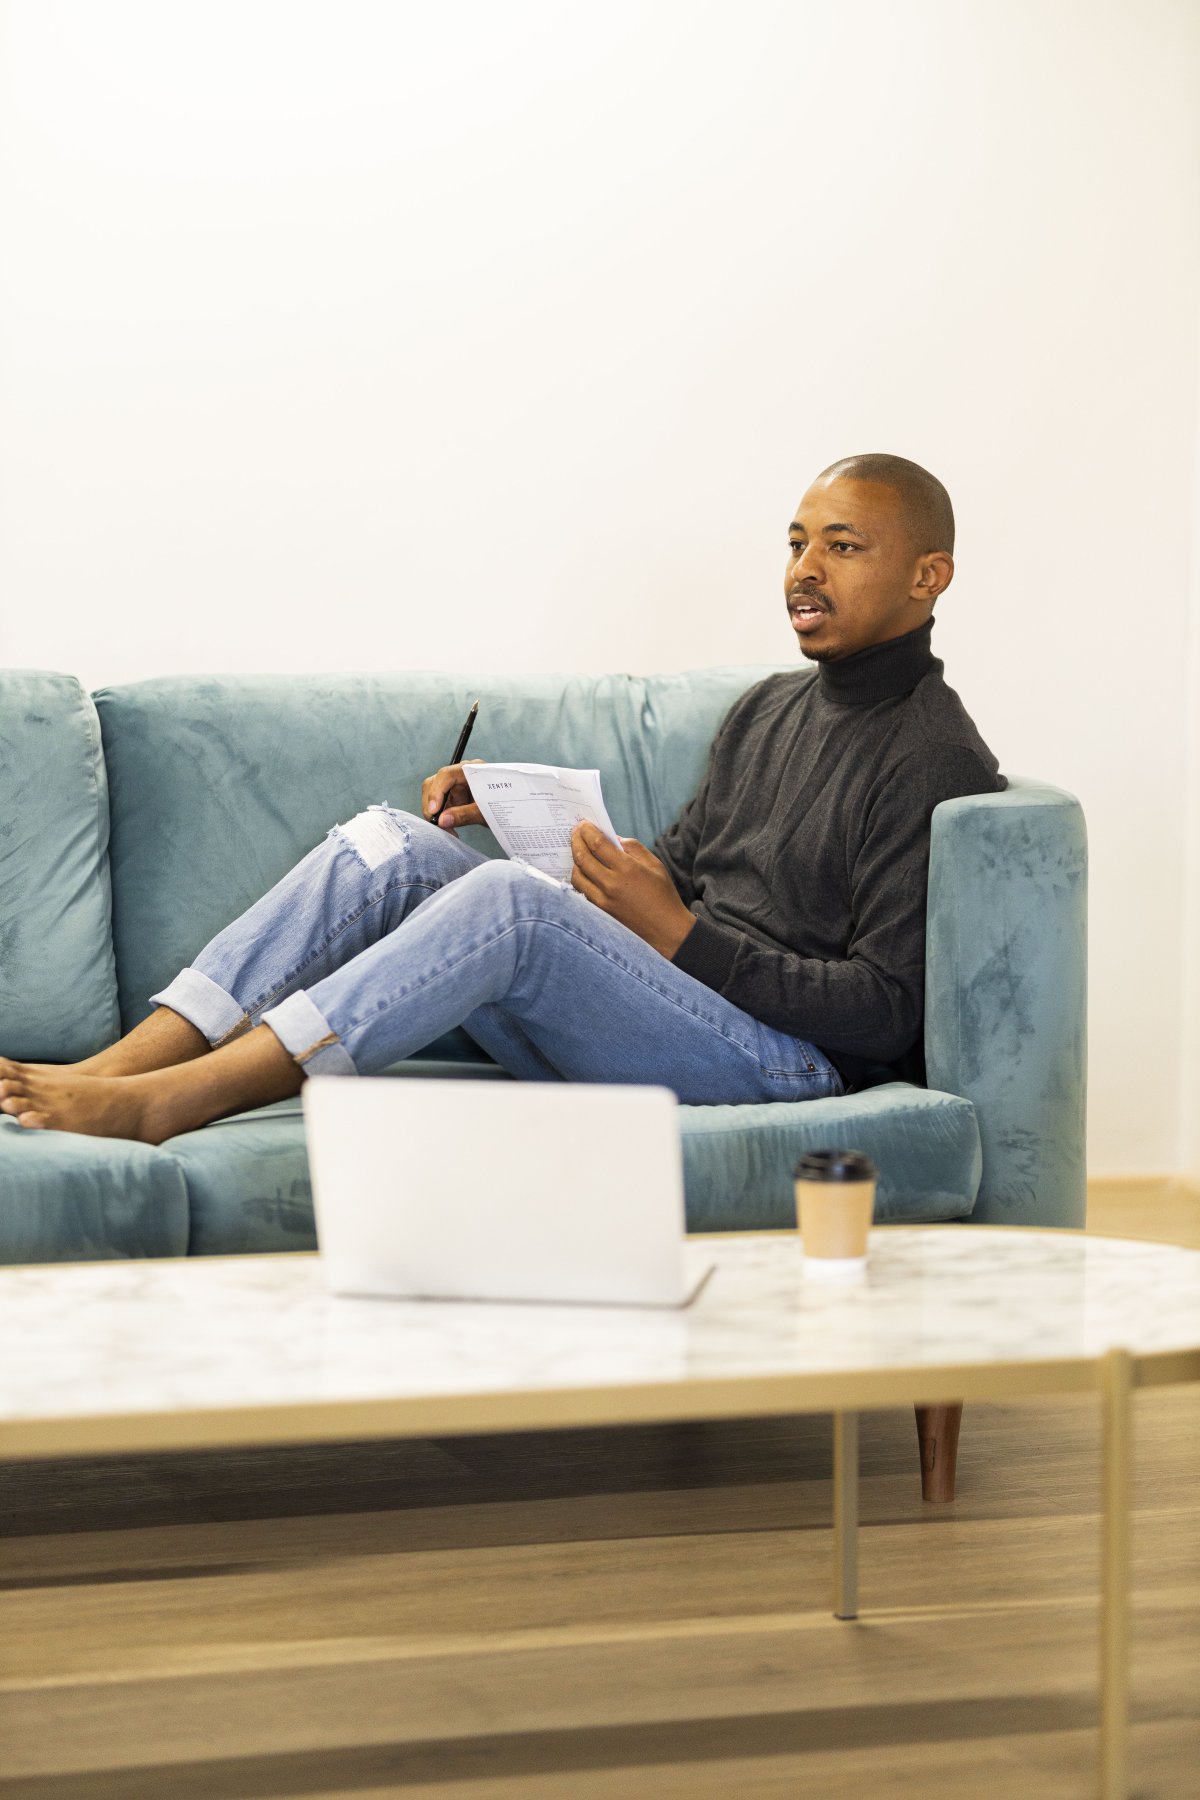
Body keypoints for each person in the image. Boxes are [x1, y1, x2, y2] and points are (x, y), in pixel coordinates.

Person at [0, 453, 1003, 1142]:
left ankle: (178, 1102)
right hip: (684, 1011)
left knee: (507, 908)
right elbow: (678, 876)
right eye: (795, 543)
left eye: (842, 546)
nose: (805, 570)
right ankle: (121, 1066)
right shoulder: (769, 708)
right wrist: (522, 807)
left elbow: (886, 1010)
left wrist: (679, 936)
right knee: (388, 844)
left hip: (788, 1068)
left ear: (930, 575)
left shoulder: (931, 756)